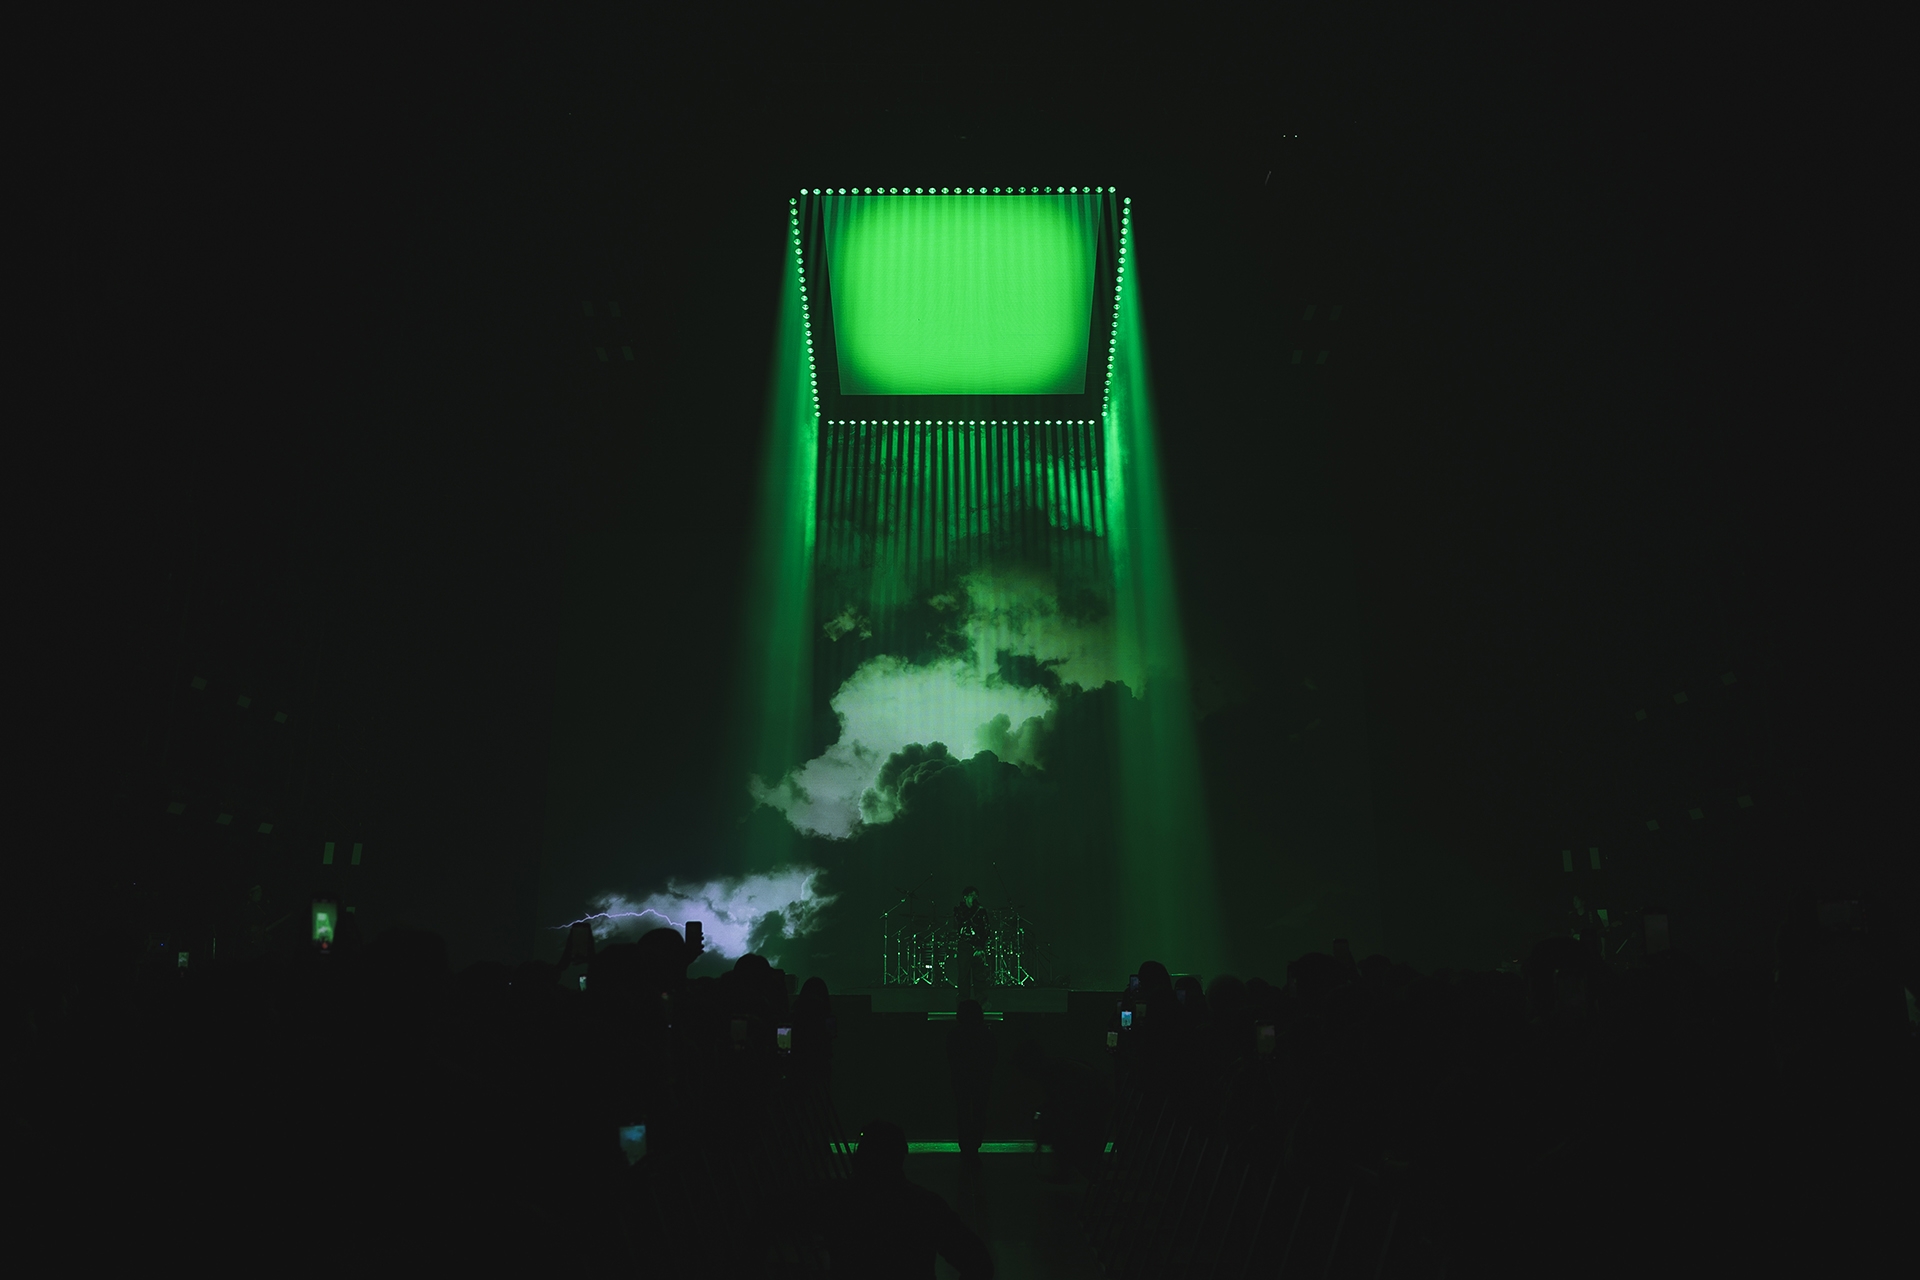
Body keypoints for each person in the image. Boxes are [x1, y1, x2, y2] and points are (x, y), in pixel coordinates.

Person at [821, 1120, 995, 1278]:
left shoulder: (838, 1201)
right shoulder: (924, 1206)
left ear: (861, 1156)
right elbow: (979, 1262)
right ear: (900, 1156)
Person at [947, 999, 995, 1157]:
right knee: (979, 1110)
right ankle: (974, 1143)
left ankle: (966, 1144)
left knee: (963, 1111)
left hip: (961, 1078)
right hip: (981, 1078)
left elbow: (951, 1058)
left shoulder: (955, 1034)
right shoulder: (986, 1034)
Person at [953, 887, 991, 1003]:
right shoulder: (959, 910)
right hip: (964, 945)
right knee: (963, 975)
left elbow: (986, 929)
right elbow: (960, 923)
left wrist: (980, 945)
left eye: (976, 896)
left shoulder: (981, 911)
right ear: (965, 897)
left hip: (978, 946)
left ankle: (981, 1003)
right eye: (971, 895)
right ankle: (963, 1002)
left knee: (979, 976)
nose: (974, 898)